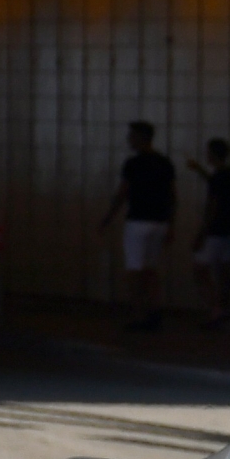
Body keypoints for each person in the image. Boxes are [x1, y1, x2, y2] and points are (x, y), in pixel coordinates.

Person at [98, 120, 173, 331]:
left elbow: (122, 194)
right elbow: (171, 196)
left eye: (131, 136)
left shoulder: (132, 164)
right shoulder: (165, 162)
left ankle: (138, 314)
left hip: (138, 221)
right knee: (150, 269)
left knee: (134, 270)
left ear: (140, 138)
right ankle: (154, 310)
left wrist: (107, 218)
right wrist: (171, 224)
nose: (128, 139)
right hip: (160, 222)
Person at [185, 137, 230, 328]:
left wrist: (201, 234)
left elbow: (212, 207)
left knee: (200, 269)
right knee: (225, 271)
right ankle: (225, 308)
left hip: (214, 231)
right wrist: (200, 170)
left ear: (213, 154)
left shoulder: (218, 178)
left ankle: (214, 309)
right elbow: (217, 185)